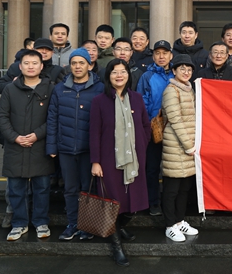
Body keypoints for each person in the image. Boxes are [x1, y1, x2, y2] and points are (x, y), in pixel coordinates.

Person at [90, 59, 151, 267]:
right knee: (112, 203)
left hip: (134, 158)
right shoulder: (99, 101)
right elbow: (94, 133)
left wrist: (141, 143)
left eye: (123, 71)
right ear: (108, 76)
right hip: (109, 159)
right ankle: (117, 247)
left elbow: (145, 125)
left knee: (133, 204)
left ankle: (120, 226)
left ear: (128, 75)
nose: (119, 75)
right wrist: (96, 161)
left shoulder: (137, 98)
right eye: (114, 72)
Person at [46, 48, 104, 241]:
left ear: (89, 65)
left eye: (81, 63)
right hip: (66, 148)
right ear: (69, 66)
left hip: (89, 149)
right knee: (70, 189)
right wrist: (52, 146)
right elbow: (52, 118)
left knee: (88, 188)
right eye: (74, 63)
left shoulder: (99, 88)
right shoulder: (60, 89)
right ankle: (72, 223)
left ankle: (87, 225)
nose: (77, 66)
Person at [0, 49, 55, 241]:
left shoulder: (50, 89)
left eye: (34, 63)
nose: (31, 66)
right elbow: (2, 116)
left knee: (42, 188)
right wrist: (15, 137)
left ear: (41, 66)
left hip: (40, 146)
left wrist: (37, 135)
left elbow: (53, 117)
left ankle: (41, 222)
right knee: (16, 189)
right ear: (20, 66)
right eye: (26, 63)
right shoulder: (10, 89)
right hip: (15, 146)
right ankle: (19, 223)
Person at [160, 54, 199, 242]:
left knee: (184, 188)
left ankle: (179, 220)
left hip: (189, 145)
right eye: (182, 68)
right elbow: (175, 120)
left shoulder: (188, 89)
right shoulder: (171, 90)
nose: (186, 72)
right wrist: (189, 145)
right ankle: (170, 225)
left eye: (189, 69)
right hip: (176, 146)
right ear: (174, 70)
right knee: (172, 188)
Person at [137, 40, 174, 216]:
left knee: (171, 169)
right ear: (153, 56)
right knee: (151, 168)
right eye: (157, 53)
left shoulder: (177, 73)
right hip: (153, 129)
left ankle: (169, 204)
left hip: (174, 130)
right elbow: (141, 102)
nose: (161, 56)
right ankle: (153, 202)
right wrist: (148, 124)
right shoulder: (147, 76)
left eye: (165, 53)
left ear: (171, 55)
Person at [0, 38, 65, 93]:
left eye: (48, 49)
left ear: (52, 52)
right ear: (34, 50)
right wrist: (15, 83)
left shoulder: (58, 71)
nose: (44, 51)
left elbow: (62, 92)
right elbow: (0, 86)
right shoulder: (16, 67)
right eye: (40, 48)